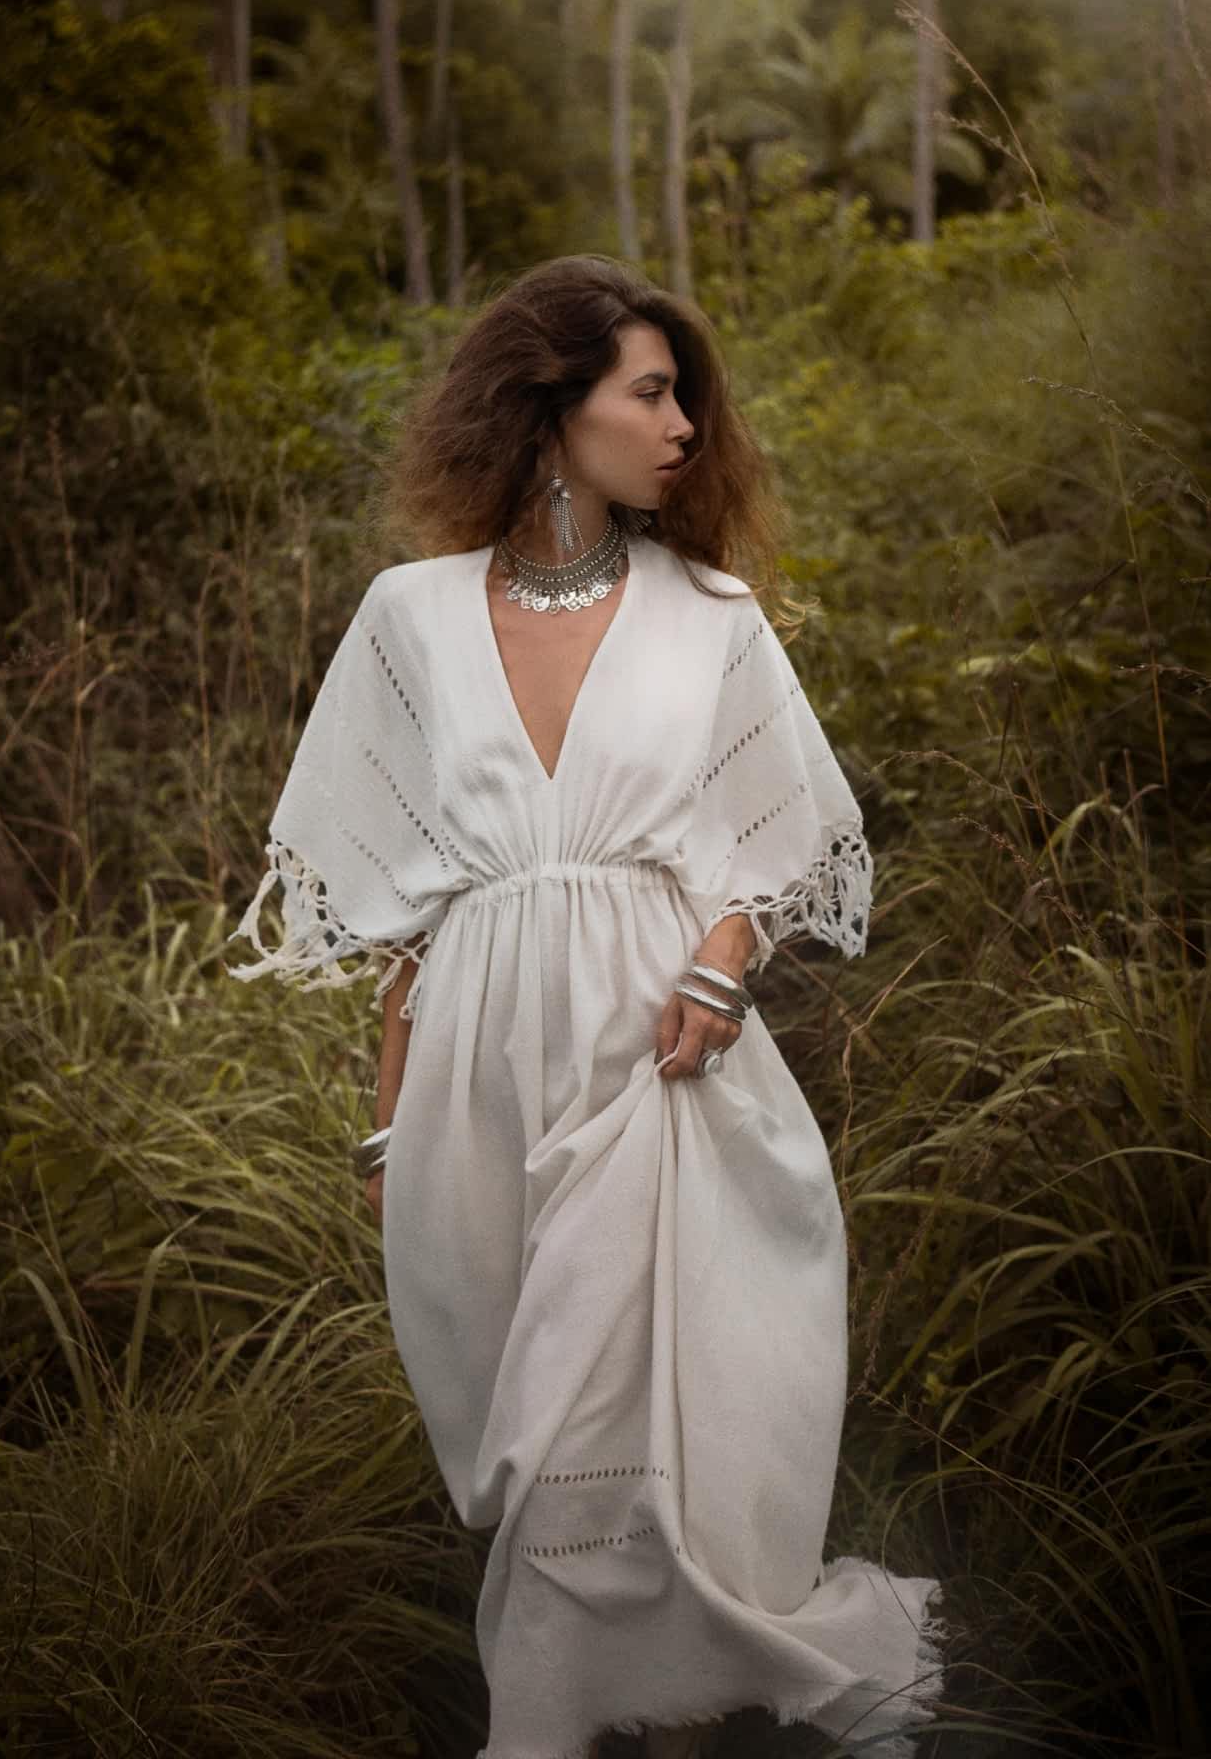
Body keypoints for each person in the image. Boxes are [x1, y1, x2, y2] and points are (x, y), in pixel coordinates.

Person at [230, 255, 949, 1759]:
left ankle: (599, 1727)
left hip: (660, 1063)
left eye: (681, 393)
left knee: (626, 1423)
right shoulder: (407, 618)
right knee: (522, 1429)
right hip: (472, 1079)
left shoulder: (710, 611)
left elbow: (774, 837)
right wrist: (384, 1136)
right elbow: (404, 920)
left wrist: (723, 957)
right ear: (548, 410)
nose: (683, 421)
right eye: (647, 390)